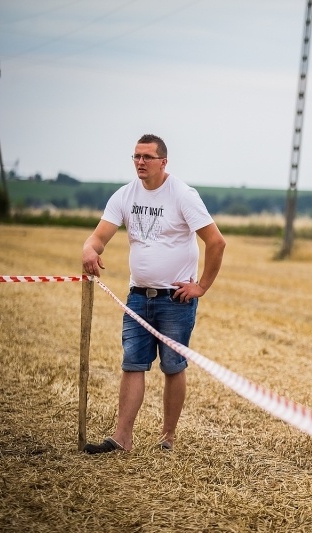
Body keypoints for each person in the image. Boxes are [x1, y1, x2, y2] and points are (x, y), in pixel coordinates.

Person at [81, 133, 226, 454]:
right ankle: (122, 438)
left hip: (176, 299)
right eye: (136, 157)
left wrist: (201, 286)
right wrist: (88, 250)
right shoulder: (124, 195)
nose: (140, 163)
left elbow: (216, 242)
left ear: (163, 162)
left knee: (173, 366)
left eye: (147, 157)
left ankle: (168, 437)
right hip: (137, 297)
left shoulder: (183, 195)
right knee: (132, 363)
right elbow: (98, 237)